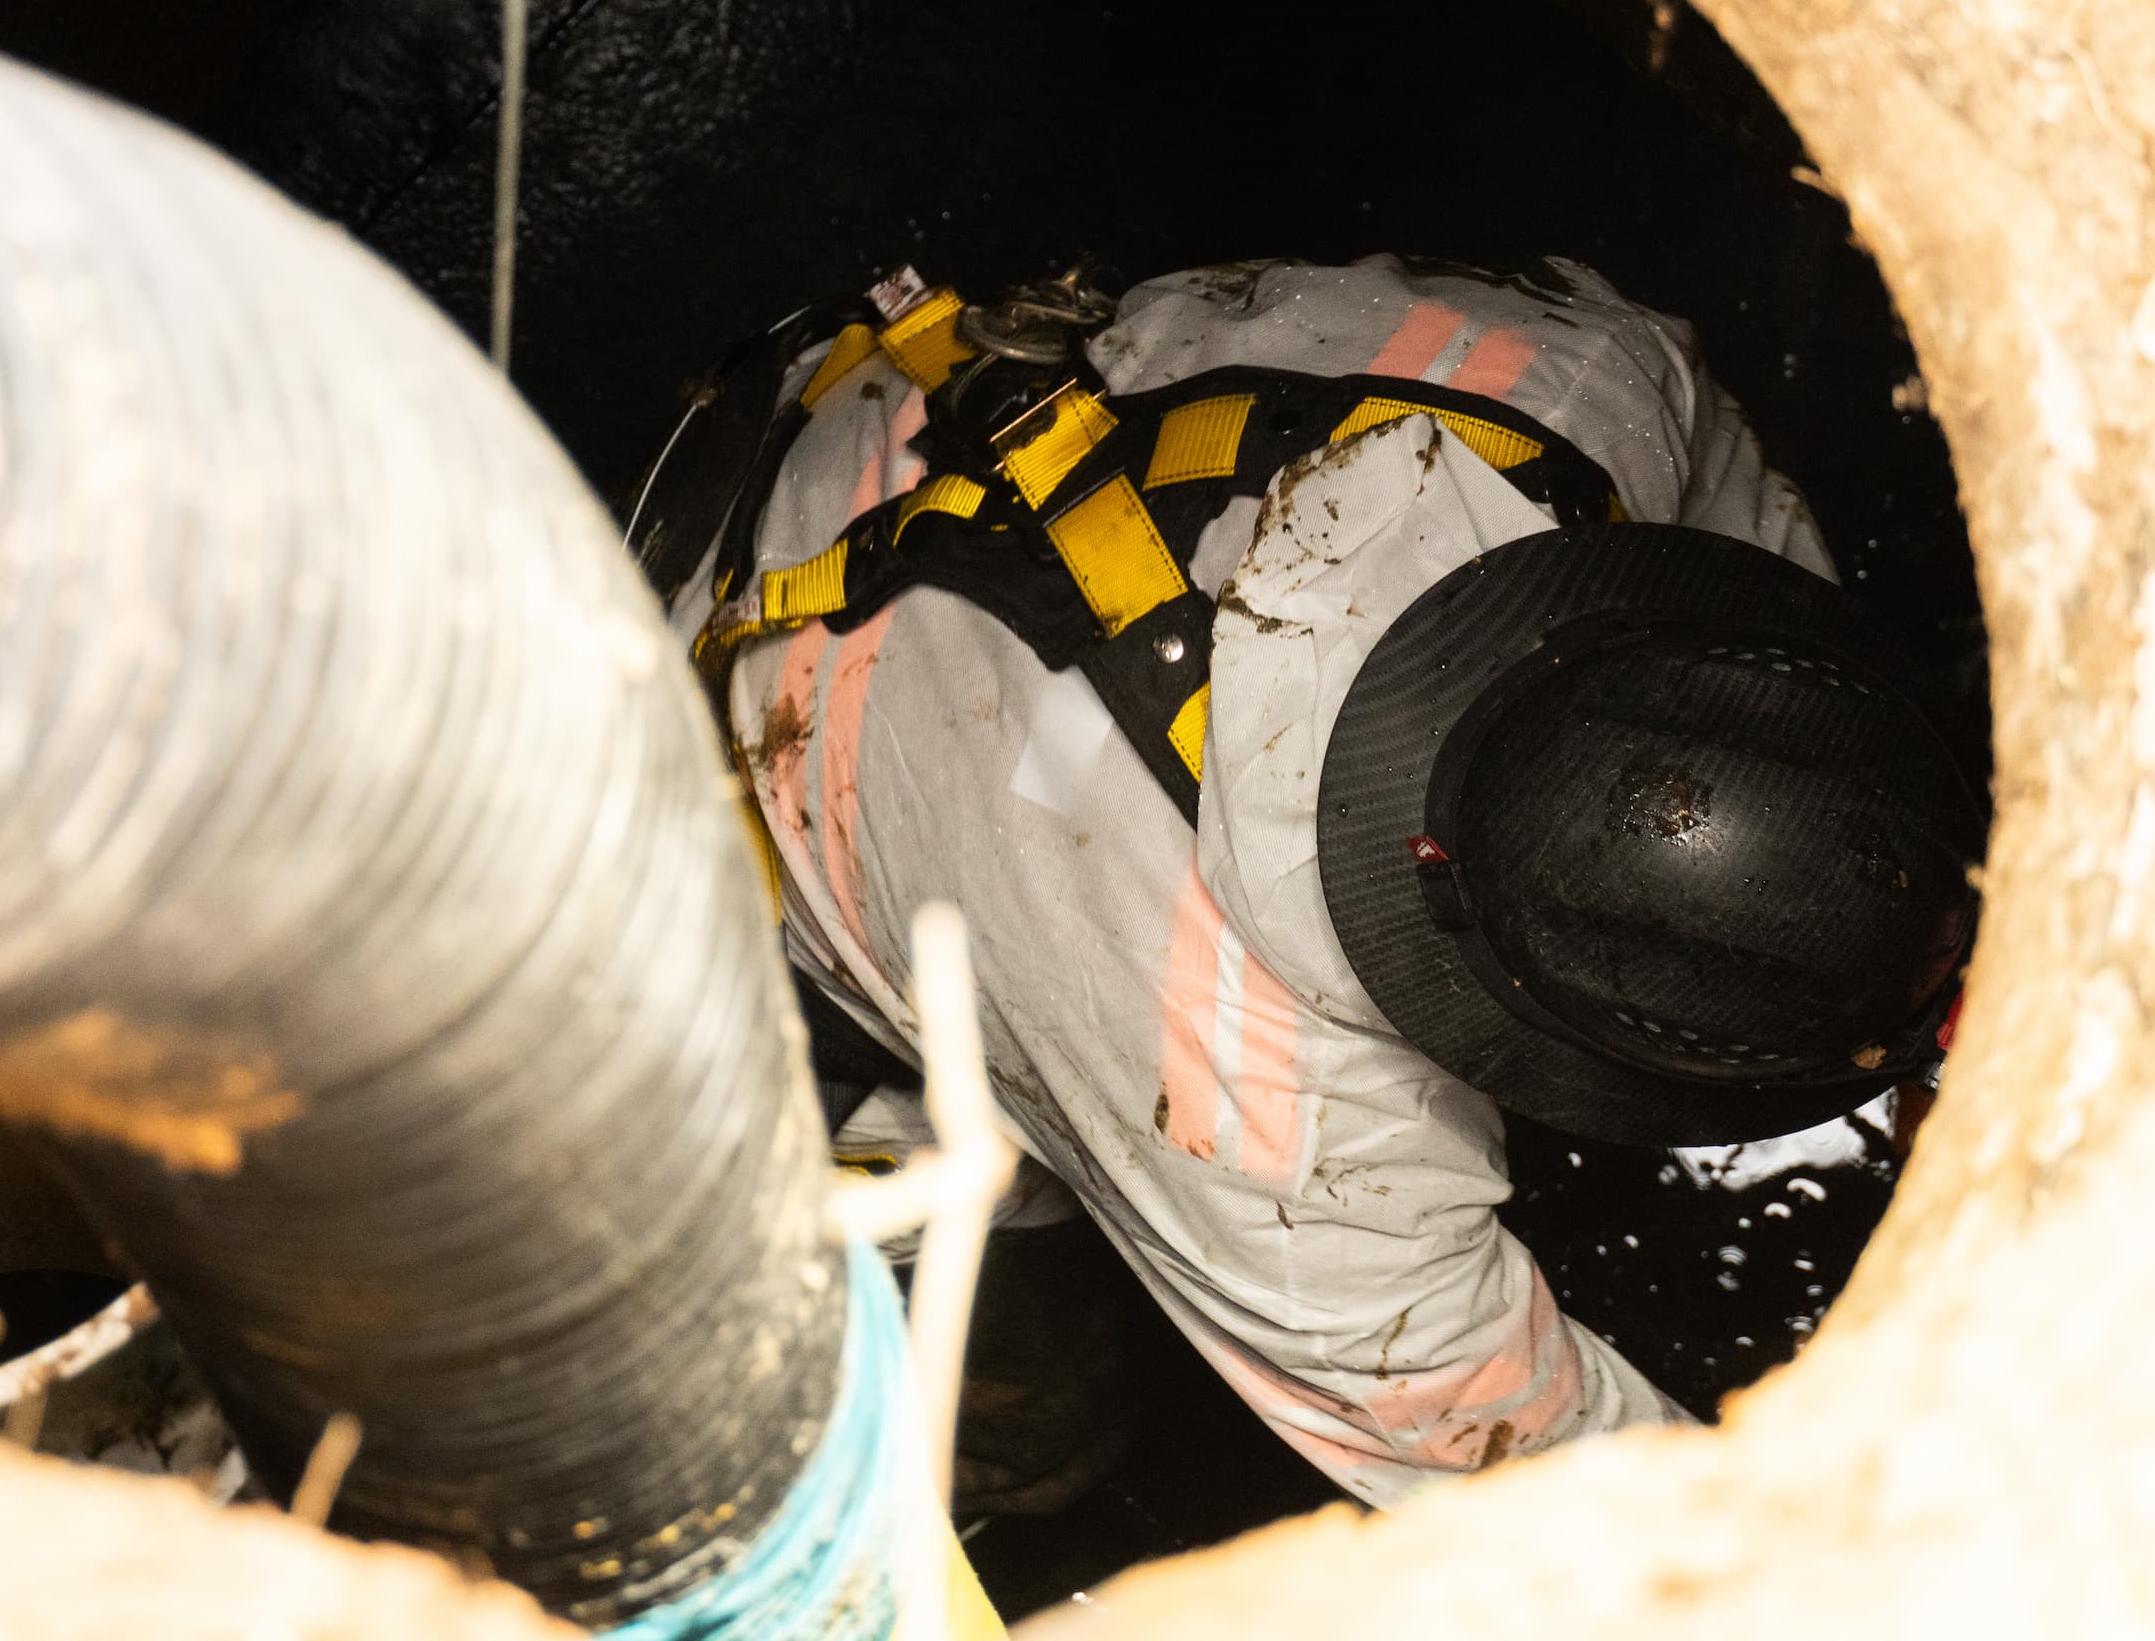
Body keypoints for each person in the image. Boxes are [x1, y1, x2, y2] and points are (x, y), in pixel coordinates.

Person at [644, 254, 1984, 1503]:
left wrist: (1843, 857)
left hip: (849, 399)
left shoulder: (1568, 390)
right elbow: (1585, 1507)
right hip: (678, 766)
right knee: (1042, 1411)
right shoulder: (1278, 1149)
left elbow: (1751, 565)